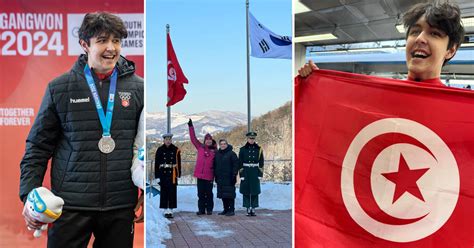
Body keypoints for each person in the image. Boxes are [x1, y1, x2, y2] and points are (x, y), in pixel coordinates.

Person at [19, 12, 143, 248]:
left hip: (119, 206)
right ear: (84, 44)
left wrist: (147, 191)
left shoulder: (140, 89)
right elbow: (37, 147)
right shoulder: (60, 88)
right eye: (102, 40)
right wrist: (29, 196)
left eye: (116, 41)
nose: (111, 48)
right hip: (69, 207)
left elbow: (144, 148)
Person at [298, 2, 465, 85]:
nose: (420, 38)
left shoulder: (462, 112)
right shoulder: (376, 95)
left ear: (450, 50)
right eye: (415, 32)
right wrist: (315, 85)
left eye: (435, 33)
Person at [188, 118, 216, 215]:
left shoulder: (215, 151)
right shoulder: (200, 147)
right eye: (207, 140)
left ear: (212, 141)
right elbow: (193, 138)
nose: (208, 141)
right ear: (204, 141)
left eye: (210, 140)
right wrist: (191, 127)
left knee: (209, 193)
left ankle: (209, 209)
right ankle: (201, 209)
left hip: (209, 176)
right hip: (200, 175)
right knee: (200, 194)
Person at [155, 133, 182, 218]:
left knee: (172, 192)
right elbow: (157, 163)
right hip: (163, 173)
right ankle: (165, 209)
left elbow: (178, 163)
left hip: (172, 174)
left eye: (170, 139)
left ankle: (170, 209)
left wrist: (178, 174)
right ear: (164, 140)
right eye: (166, 139)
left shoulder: (175, 149)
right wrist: (157, 176)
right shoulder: (160, 149)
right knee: (164, 191)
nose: (168, 141)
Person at [239, 131, 264, 217]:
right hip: (246, 171)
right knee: (246, 191)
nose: (251, 140)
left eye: (253, 138)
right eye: (250, 138)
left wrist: (260, 174)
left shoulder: (259, 149)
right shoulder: (242, 149)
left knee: (254, 190)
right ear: (247, 138)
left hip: (254, 171)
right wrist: (241, 175)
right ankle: (247, 207)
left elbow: (261, 162)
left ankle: (253, 207)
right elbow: (240, 163)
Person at [214, 139, 239, 216]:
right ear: (219, 145)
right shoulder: (217, 154)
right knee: (223, 195)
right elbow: (215, 165)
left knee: (230, 195)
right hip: (220, 178)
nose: (223, 145)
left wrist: (234, 175)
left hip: (229, 178)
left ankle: (231, 210)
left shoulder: (231, 154)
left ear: (227, 144)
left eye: (224, 144)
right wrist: (216, 176)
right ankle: (225, 209)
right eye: (221, 144)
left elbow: (236, 165)